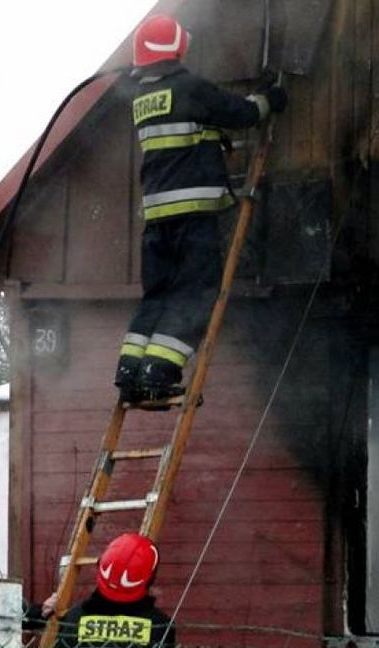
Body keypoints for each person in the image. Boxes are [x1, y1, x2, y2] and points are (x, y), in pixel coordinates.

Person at [113, 14, 288, 403]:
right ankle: (159, 374)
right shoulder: (190, 87)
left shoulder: (142, 97)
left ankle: (130, 374)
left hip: (156, 220)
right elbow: (243, 114)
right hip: (193, 216)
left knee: (156, 296)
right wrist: (270, 99)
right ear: (176, 49)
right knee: (195, 294)